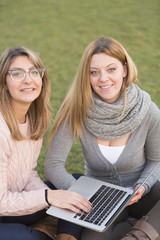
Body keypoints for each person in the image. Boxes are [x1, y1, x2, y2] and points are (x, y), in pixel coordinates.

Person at [45, 37, 160, 240]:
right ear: (86, 76)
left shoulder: (147, 110)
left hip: (144, 194)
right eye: (94, 72)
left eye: (111, 69)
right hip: (101, 199)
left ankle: (138, 234)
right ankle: (145, 225)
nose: (103, 79)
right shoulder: (76, 110)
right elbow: (53, 165)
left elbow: (157, 160)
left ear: (124, 70)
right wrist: (83, 193)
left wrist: (142, 186)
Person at [0, 46, 91, 240]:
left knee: (75, 185)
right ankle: (46, 229)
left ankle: (65, 236)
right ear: (3, 82)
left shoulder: (33, 118)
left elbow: (28, 173)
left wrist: (53, 197)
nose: (28, 79)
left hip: (15, 200)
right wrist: (48, 198)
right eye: (17, 73)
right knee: (25, 237)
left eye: (34, 72)